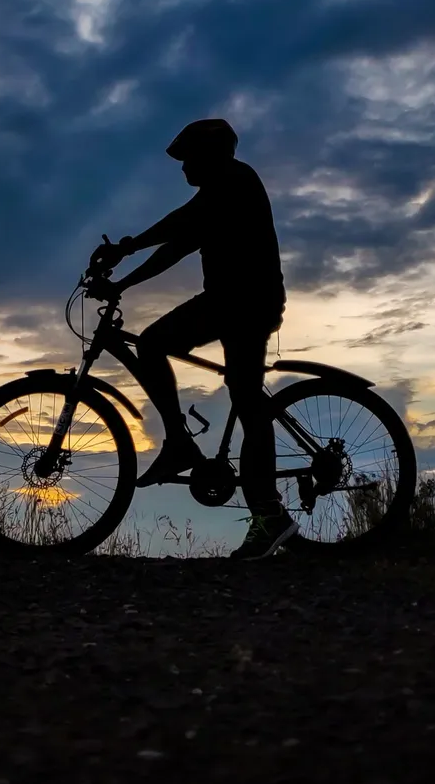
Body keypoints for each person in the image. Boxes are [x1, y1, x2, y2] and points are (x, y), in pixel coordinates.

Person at [90, 118, 296, 560]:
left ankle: (269, 512)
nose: (183, 170)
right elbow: (178, 225)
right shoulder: (219, 188)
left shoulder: (235, 183)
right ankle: (181, 444)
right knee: (159, 347)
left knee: (243, 398)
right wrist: (126, 252)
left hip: (245, 303)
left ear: (211, 156)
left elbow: (178, 240)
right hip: (229, 301)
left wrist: (123, 276)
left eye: (188, 160)